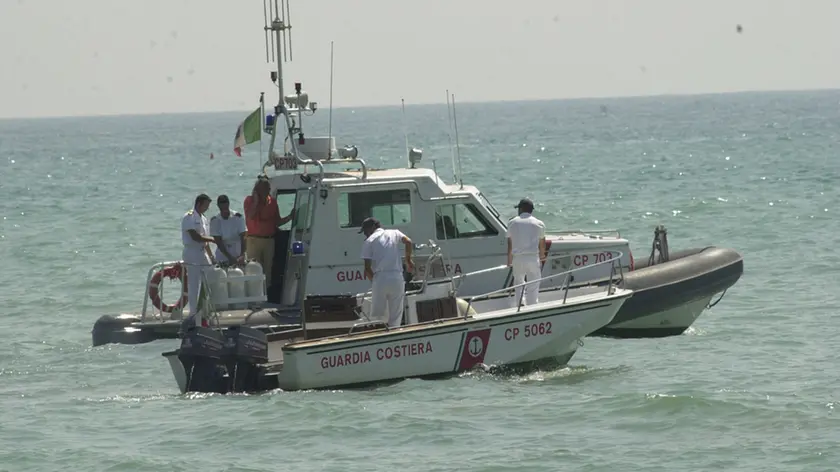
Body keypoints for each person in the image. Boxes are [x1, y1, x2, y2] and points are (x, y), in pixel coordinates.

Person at [359, 217, 414, 327]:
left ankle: (380, 336)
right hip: (397, 276)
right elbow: (408, 242)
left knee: (377, 315)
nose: (365, 234)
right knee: (396, 313)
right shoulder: (394, 233)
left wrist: (374, 282)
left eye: (365, 231)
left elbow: (367, 268)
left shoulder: (369, 241)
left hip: (380, 278)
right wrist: (408, 260)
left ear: (373, 227)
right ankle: (395, 332)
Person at [243, 177, 295, 287]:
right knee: (254, 268)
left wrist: (290, 217)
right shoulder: (249, 201)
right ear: (257, 189)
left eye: (268, 187)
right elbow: (250, 216)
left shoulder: (273, 202)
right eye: (265, 188)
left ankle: (267, 293)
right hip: (254, 240)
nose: (268, 190)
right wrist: (256, 202)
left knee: (268, 268)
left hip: (269, 240)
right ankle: (254, 292)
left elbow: (277, 222)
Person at [506, 197, 546, 307]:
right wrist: (542, 256)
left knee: (518, 283)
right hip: (533, 258)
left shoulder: (512, 222)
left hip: (518, 258)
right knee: (533, 284)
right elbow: (542, 242)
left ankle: (520, 304)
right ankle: (532, 306)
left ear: (522, 209)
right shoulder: (539, 223)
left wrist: (509, 260)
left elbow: (510, 243)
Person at [181, 193, 217, 316]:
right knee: (194, 283)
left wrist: (211, 256)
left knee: (210, 276)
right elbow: (196, 237)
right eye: (205, 205)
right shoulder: (189, 217)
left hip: (202, 252)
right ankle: (193, 313)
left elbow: (205, 241)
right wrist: (213, 239)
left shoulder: (204, 219)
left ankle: (205, 308)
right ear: (199, 204)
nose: (207, 208)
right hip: (192, 252)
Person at [209, 194, 247, 265]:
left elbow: (243, 237)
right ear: (218, 206)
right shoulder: (215, 220)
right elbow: (218, 242)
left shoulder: (238, 217)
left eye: (226, 208)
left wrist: (242, 254)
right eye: (222, 209)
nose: (224, 211)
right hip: (223, 252)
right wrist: (230, 257)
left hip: (237, 250)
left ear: (228, 204)